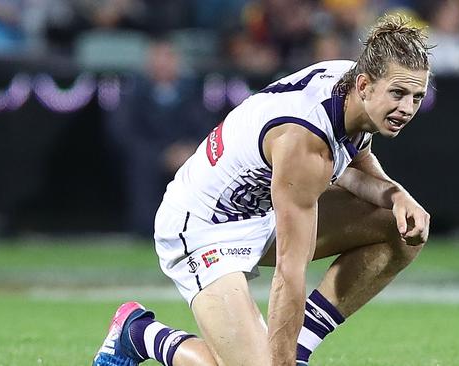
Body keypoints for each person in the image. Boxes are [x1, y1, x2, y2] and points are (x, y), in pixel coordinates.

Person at [93, 14, 431, 366]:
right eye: (398, 93)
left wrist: (395, 195)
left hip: (261, 207)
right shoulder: (303, 140)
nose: (407, 108)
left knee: (402, 226)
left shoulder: (353, 86)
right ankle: (137, 334)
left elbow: (352, 158)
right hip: (203, 228)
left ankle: (297, 347)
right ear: (364, 86)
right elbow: (290, 270)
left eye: (416, 97)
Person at [106, 37, 218, 237]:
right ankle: (147, 230)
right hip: (149, 155)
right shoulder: (133, 92)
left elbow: (207, 128)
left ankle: (196, 230)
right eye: (158, 57)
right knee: (140, 166)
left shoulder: (193, 91)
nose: (163, 63)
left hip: (187, 155)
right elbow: (123, 132)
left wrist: (189, 149)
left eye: (169, 57)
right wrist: (161, 153)